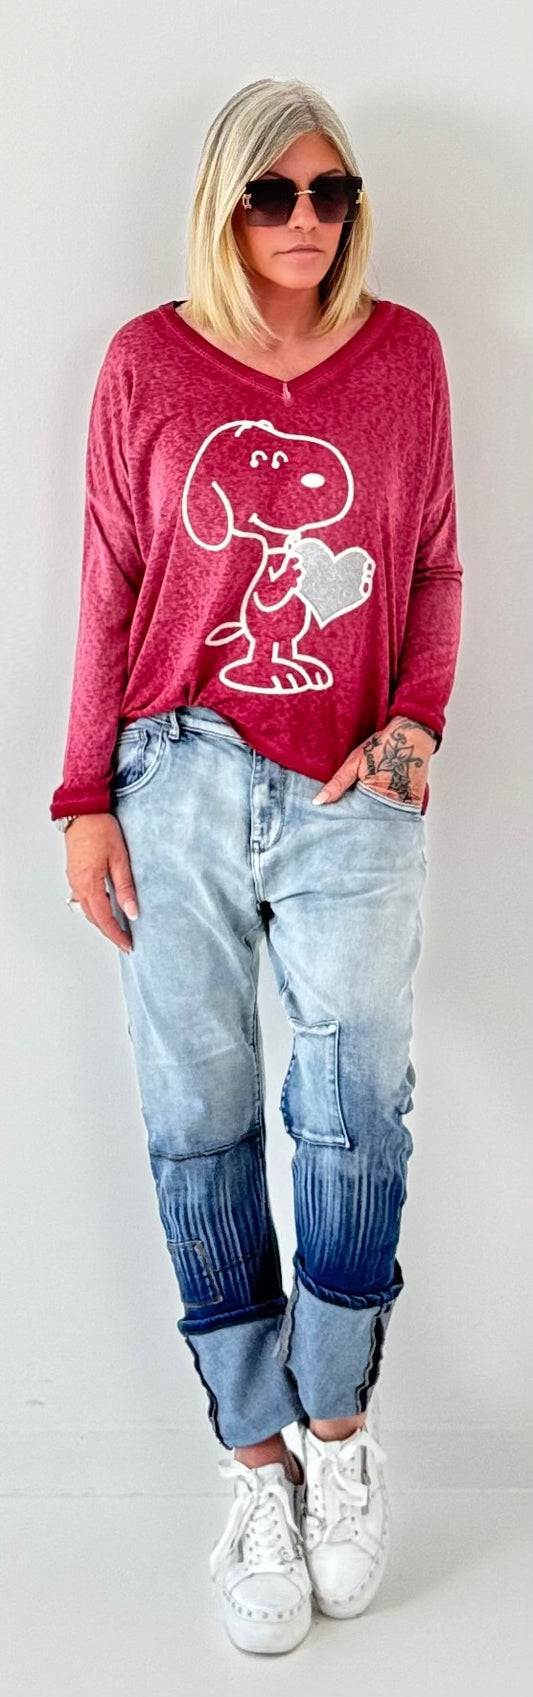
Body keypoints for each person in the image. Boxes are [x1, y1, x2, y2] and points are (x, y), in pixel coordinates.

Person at [49, 76, 463, 1656]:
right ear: (224, 206)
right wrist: (84, 793)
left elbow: (430, 561)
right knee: (195, 1117)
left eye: (330, 192)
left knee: (357, 1106)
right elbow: (108, 578)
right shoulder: (146, 364)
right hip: (175, 773)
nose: (306, 220)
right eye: (273, 194)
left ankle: (337, 1430)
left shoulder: (403, 356)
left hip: (352, 778)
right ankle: (251, 1459)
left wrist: (412, 727)